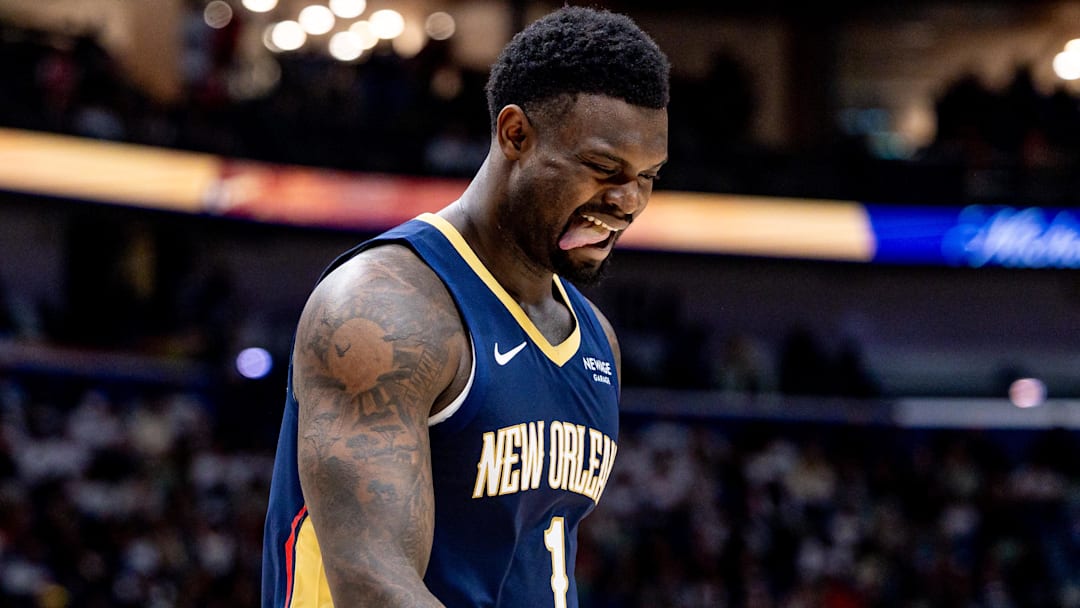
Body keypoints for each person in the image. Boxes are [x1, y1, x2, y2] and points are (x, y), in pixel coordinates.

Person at [261, 6, 670, 607]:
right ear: (515, 135)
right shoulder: (385, 309)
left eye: (647, 176)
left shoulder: (593, 341)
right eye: (604, 169)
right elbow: (374, 585)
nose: (628, 200)